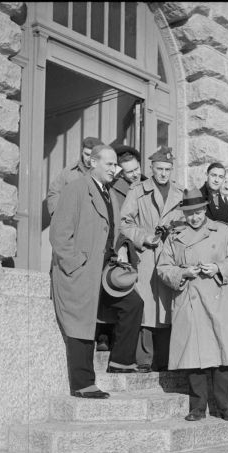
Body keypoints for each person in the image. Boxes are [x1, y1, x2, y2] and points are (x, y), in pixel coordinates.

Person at [50, 145, 144, 397]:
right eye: (110, 164)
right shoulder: (76, 189)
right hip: (81, 271)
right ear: (93, 162)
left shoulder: (110, 194)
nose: (115, 169)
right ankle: (83, 384)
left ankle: (120, 361)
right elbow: (59, 234)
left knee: (133, 303)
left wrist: (120, 251)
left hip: (103, 271)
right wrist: (74, 265)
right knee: (81, 323)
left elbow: (114, 231)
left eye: (116, 165)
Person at [157, 188, 228, 421]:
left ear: (205, 210)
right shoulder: (175, 236)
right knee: (194, 356)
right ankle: (197, 408)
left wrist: (218, 268)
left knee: (222, 356)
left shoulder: (221, 231)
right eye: (190, 213)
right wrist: (183, 272)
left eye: (199, 212)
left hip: (219, 296)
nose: (195, 217)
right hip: (190, 298)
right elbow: (162, 268)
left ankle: (225, 407)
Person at [120, 146, 185, 371]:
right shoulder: (138, 190)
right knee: (147, 306)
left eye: (167, 169)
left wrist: (174, 230)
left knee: (167, 306)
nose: (163, 173)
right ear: (152, 168)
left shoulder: (179, 193)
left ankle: (165, 359)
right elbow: (125, 222)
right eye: (159, 169)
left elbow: (185, 224)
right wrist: (145, 237)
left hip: (169, 255)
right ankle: (145, 360)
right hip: (147, 254)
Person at [96, 144, 147, 352]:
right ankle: (104, 336)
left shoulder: (147, 185)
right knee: (116, 291)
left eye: (137, 169)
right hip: (124, 248)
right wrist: (122, 248)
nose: (135, 175)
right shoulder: (115, 189)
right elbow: (116, 222)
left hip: (144, 246)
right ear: (120, 172)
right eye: (129, 172)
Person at [47, 136, 103, 216]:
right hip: (72, 220)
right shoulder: (69, 171)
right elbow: (54, 191)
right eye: (86, 154)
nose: (89, 159)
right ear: (82, 152)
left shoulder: (106, 172)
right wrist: (57, 215)